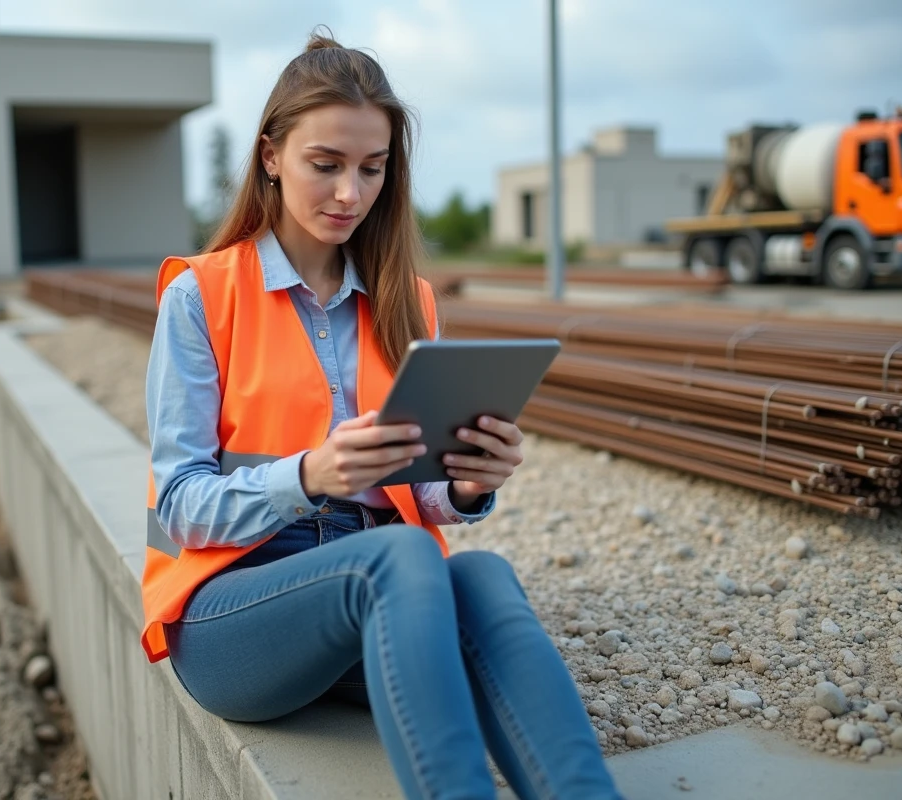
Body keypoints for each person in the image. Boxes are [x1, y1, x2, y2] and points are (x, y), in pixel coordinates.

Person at [142, 30, 622, 800]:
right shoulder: (200, 296)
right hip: (235, 613)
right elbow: (176, 510)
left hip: (378, 600)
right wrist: (307, 476)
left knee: (485, 576)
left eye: (372, 169)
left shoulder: (409, 302)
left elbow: (411, 489)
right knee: (402, 559)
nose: (350, 194)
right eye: (325, 165)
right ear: (271, 155)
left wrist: (466, 485)